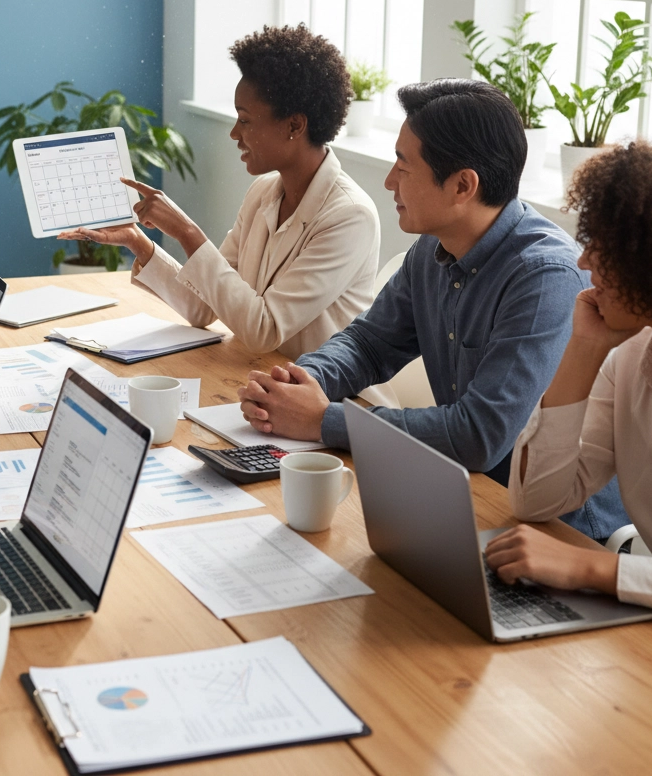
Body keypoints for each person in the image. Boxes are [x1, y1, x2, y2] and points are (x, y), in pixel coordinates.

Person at [238, 77, 628, 541]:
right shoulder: (432, 248)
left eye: (403, 166)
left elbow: (478, 435)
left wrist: (324, 420)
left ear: (463, 185)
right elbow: (369, 344)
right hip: (462, 498)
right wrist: (301, 382)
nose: (388, 181)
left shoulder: (546, 279)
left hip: (558, 532)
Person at [59, 25, 385, 361]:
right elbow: (204, 306)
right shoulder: (263, 194)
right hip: (261, 380)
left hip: (327, 400)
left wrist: (186, 232)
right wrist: (136, 241)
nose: (233, 133)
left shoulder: (349, 217)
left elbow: (265, 330)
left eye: (245, 121)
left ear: (294, 126)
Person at [486, 135, 652, 616]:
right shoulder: (633, 360)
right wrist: (584, 348)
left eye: (606, 246)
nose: (584, 260)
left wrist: (590, 568)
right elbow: (536, 501)